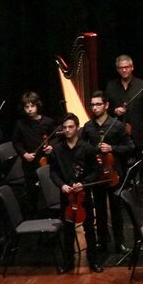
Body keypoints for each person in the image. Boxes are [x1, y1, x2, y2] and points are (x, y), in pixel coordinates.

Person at [49, 113, 104, 273]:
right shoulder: (57, 150)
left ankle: (93, 261)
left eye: (70, 127)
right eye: (64, 127)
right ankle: (68, 263)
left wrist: (84, 183)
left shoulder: (87, 148)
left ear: (77, 128)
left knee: (89, 229)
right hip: (66, 195)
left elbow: (97, 170)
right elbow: (53, 172)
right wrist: (62, 185)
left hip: (83, 195)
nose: (67, 130)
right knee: (68, 230)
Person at [81, 91, 134, 255]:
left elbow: (130, 147)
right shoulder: (88, 127)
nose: (95, 108)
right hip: (97, 174)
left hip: (114, 173)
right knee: (100, 210)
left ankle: (120, 242)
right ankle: (103, 242)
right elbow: (82, 149)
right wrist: (92, 153)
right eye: (93, 105)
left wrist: (112, 148)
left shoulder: (117, 125)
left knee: (116, 210)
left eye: (98, 104)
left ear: (106, 105)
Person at [10, 91, 56, 216]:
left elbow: (56, 138)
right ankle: (36, 217)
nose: (30, 109)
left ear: (38, 106)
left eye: (32, 106)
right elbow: (16, 142)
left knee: (47, 189)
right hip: (29, 162)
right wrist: (24, 154)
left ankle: (51, 215)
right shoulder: (20, 124)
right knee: (32, 192)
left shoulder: (48, 122)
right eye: (27, 107)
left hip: (46, 161)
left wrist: (51, 146)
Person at [104, 54, 143, 160]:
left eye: (126, 67)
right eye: (121, 68)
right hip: (118, 137)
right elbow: (105, 110)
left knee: (142, 169)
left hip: (138, 135)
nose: (124, 70)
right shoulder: (110, 86)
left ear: (132, 68)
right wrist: (114, 111)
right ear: (117, 70)